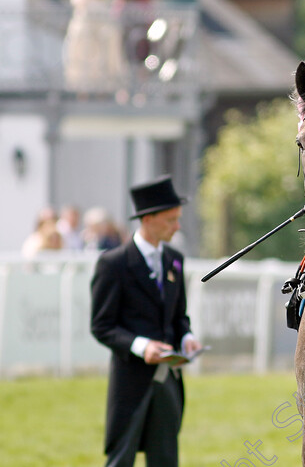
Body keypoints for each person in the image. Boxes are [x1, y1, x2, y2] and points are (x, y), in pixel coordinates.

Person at [90, 176, 201, 467]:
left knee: (166, 458)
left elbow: (179, 317)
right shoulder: (113, 264)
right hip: (130, 383)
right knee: (121, 458)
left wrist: (186, 337)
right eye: (170, 220)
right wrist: (141, 346)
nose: (177, 227)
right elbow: (101, 326)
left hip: (168, 381)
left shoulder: (175, 259)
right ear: (148, 219)